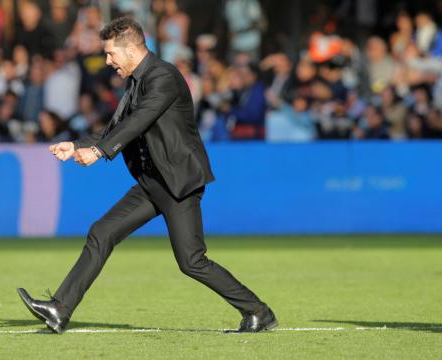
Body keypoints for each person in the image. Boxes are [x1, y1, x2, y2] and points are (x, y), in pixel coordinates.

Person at [17, 17, 276, 334]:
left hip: (179, 184)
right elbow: (115, 127)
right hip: (153, 183)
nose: (108, 61)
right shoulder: (136, 81)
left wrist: (99, 153)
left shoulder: (163, 76)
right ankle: (60, 309)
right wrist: (76, 144)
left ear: (130, 49)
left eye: (111, 54)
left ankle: (258, 312)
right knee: (102, 232)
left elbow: (138, 121)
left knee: (191, 261)